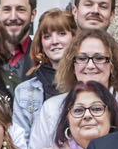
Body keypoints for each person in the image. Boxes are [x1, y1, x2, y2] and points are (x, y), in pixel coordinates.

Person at [27, 29, 118, 149]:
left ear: (112, 66)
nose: (90, 65)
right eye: (82, 58)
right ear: (73, 66)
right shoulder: (52, 108)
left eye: (99, 58)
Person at [13, 8, 77, 138]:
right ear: (41, 43)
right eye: (47, 36)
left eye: (62, 33)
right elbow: (21, 141)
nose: (54, 41)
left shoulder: (86, 84)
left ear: (74, 38)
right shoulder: (25, 91)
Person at [0, 0, 37, 75]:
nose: (13, 17)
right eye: (7, 10)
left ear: (33, 15)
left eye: (21, 9)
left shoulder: (45, 57)